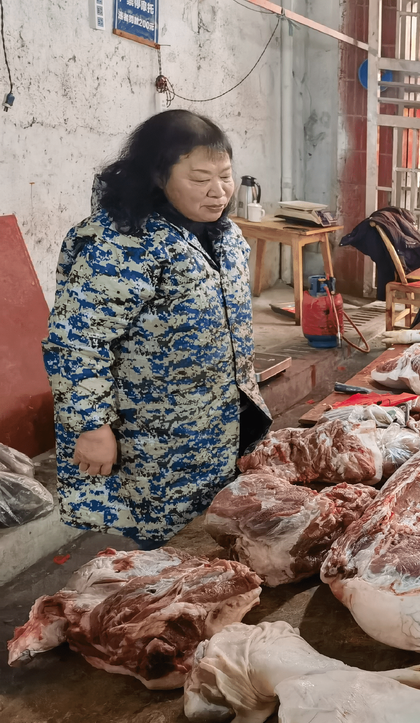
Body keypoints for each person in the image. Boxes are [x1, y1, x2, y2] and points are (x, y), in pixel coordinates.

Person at [43, 109, 272, 548]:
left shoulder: (221, 234)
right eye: (200, 177)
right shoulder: (121, 243)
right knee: (169, 553)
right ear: (157, 176)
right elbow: (77, 343)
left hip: (220, 424)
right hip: (156, 439)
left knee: (214, 536)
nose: (218, 191)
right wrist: (91, 427)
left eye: (225, 176)